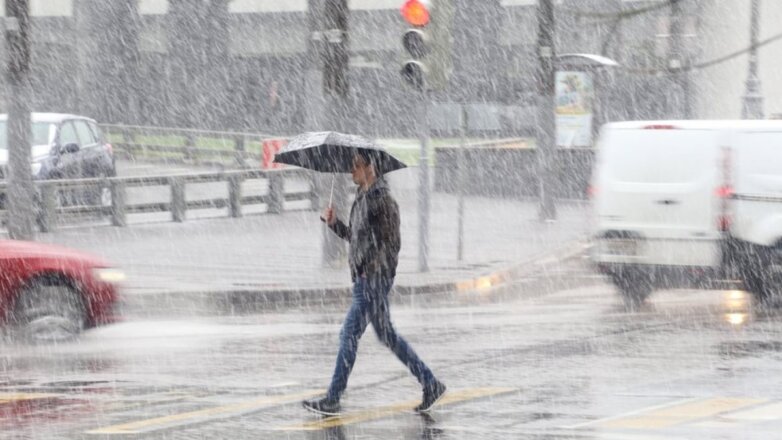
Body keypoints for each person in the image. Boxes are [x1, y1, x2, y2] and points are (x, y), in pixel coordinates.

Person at [302, 151, 446, 416]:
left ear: (370, 167)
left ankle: (333, 397)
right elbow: (357, 238)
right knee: (387, 335)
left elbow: (391, 245)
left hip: (372, 281)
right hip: (365, 279)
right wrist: (334, 224)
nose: (351, 171)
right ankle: (431, 383)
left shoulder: (383, 201)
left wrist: (371, 272)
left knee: (348, 334)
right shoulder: (363, 197)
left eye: (355, 166)